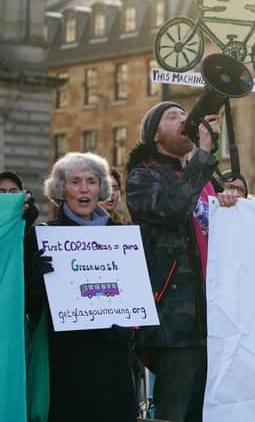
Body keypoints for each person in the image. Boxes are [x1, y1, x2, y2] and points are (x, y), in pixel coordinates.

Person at [125, 101, 237, 422]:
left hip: (212, 320)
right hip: (174, 321)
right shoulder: (143, 177)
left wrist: (231, 201)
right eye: (172, 117)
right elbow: (174, 208)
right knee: (175, 412)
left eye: (186, 116)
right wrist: (204, 154)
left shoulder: (203, 177)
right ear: (155, 134)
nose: (184, 120)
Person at [23, 152, 137, 422]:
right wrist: (37, 281)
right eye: (75, 182)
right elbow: (28, 308)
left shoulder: (123, 237)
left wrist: (131, 328)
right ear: (62, 189)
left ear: (101, 189)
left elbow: (138, 298)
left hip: (112, 359)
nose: (84, 189)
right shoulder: (42, 236)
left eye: (92, 181)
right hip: (65, 361)